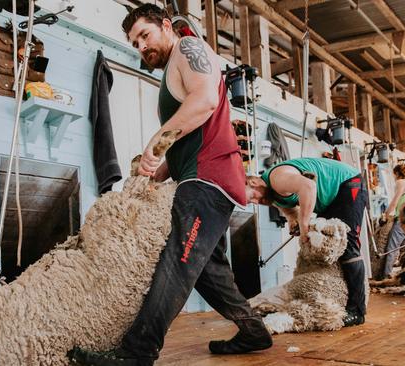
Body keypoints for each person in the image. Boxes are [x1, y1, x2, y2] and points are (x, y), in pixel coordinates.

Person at [69, 5, 272, 366]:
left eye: (145, 35)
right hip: (198, 175)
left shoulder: (188, 49)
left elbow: (206, 102)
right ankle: (253, 331)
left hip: (208, 179)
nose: (141, 46)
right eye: (135, 43)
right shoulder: (175, 66)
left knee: (177, 260)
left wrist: (156, 141)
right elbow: (189, 135)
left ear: (167, 25)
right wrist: (159, 170)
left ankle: (137, 353)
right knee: (209, 273)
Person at [246, 157, 368, 327]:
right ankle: (338, 301)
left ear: (253, 182)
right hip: (332, 197)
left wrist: (304, 224)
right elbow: (290, 210)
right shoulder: (272, 196)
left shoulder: (276, 178)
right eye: (251, 202)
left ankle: (357, 311)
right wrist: (294, 221)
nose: (256, 202)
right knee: (328, 248)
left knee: (346, 245)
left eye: (252, 196)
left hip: (347, 183)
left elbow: (308, 186)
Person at [377, 165, 405, 279]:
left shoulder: (400, 182)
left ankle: (385, 276)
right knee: (404, 249)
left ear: (396, 173)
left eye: (394, 174)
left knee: (391, 248)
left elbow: (395, 202)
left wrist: (385, 215)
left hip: (403, 219)